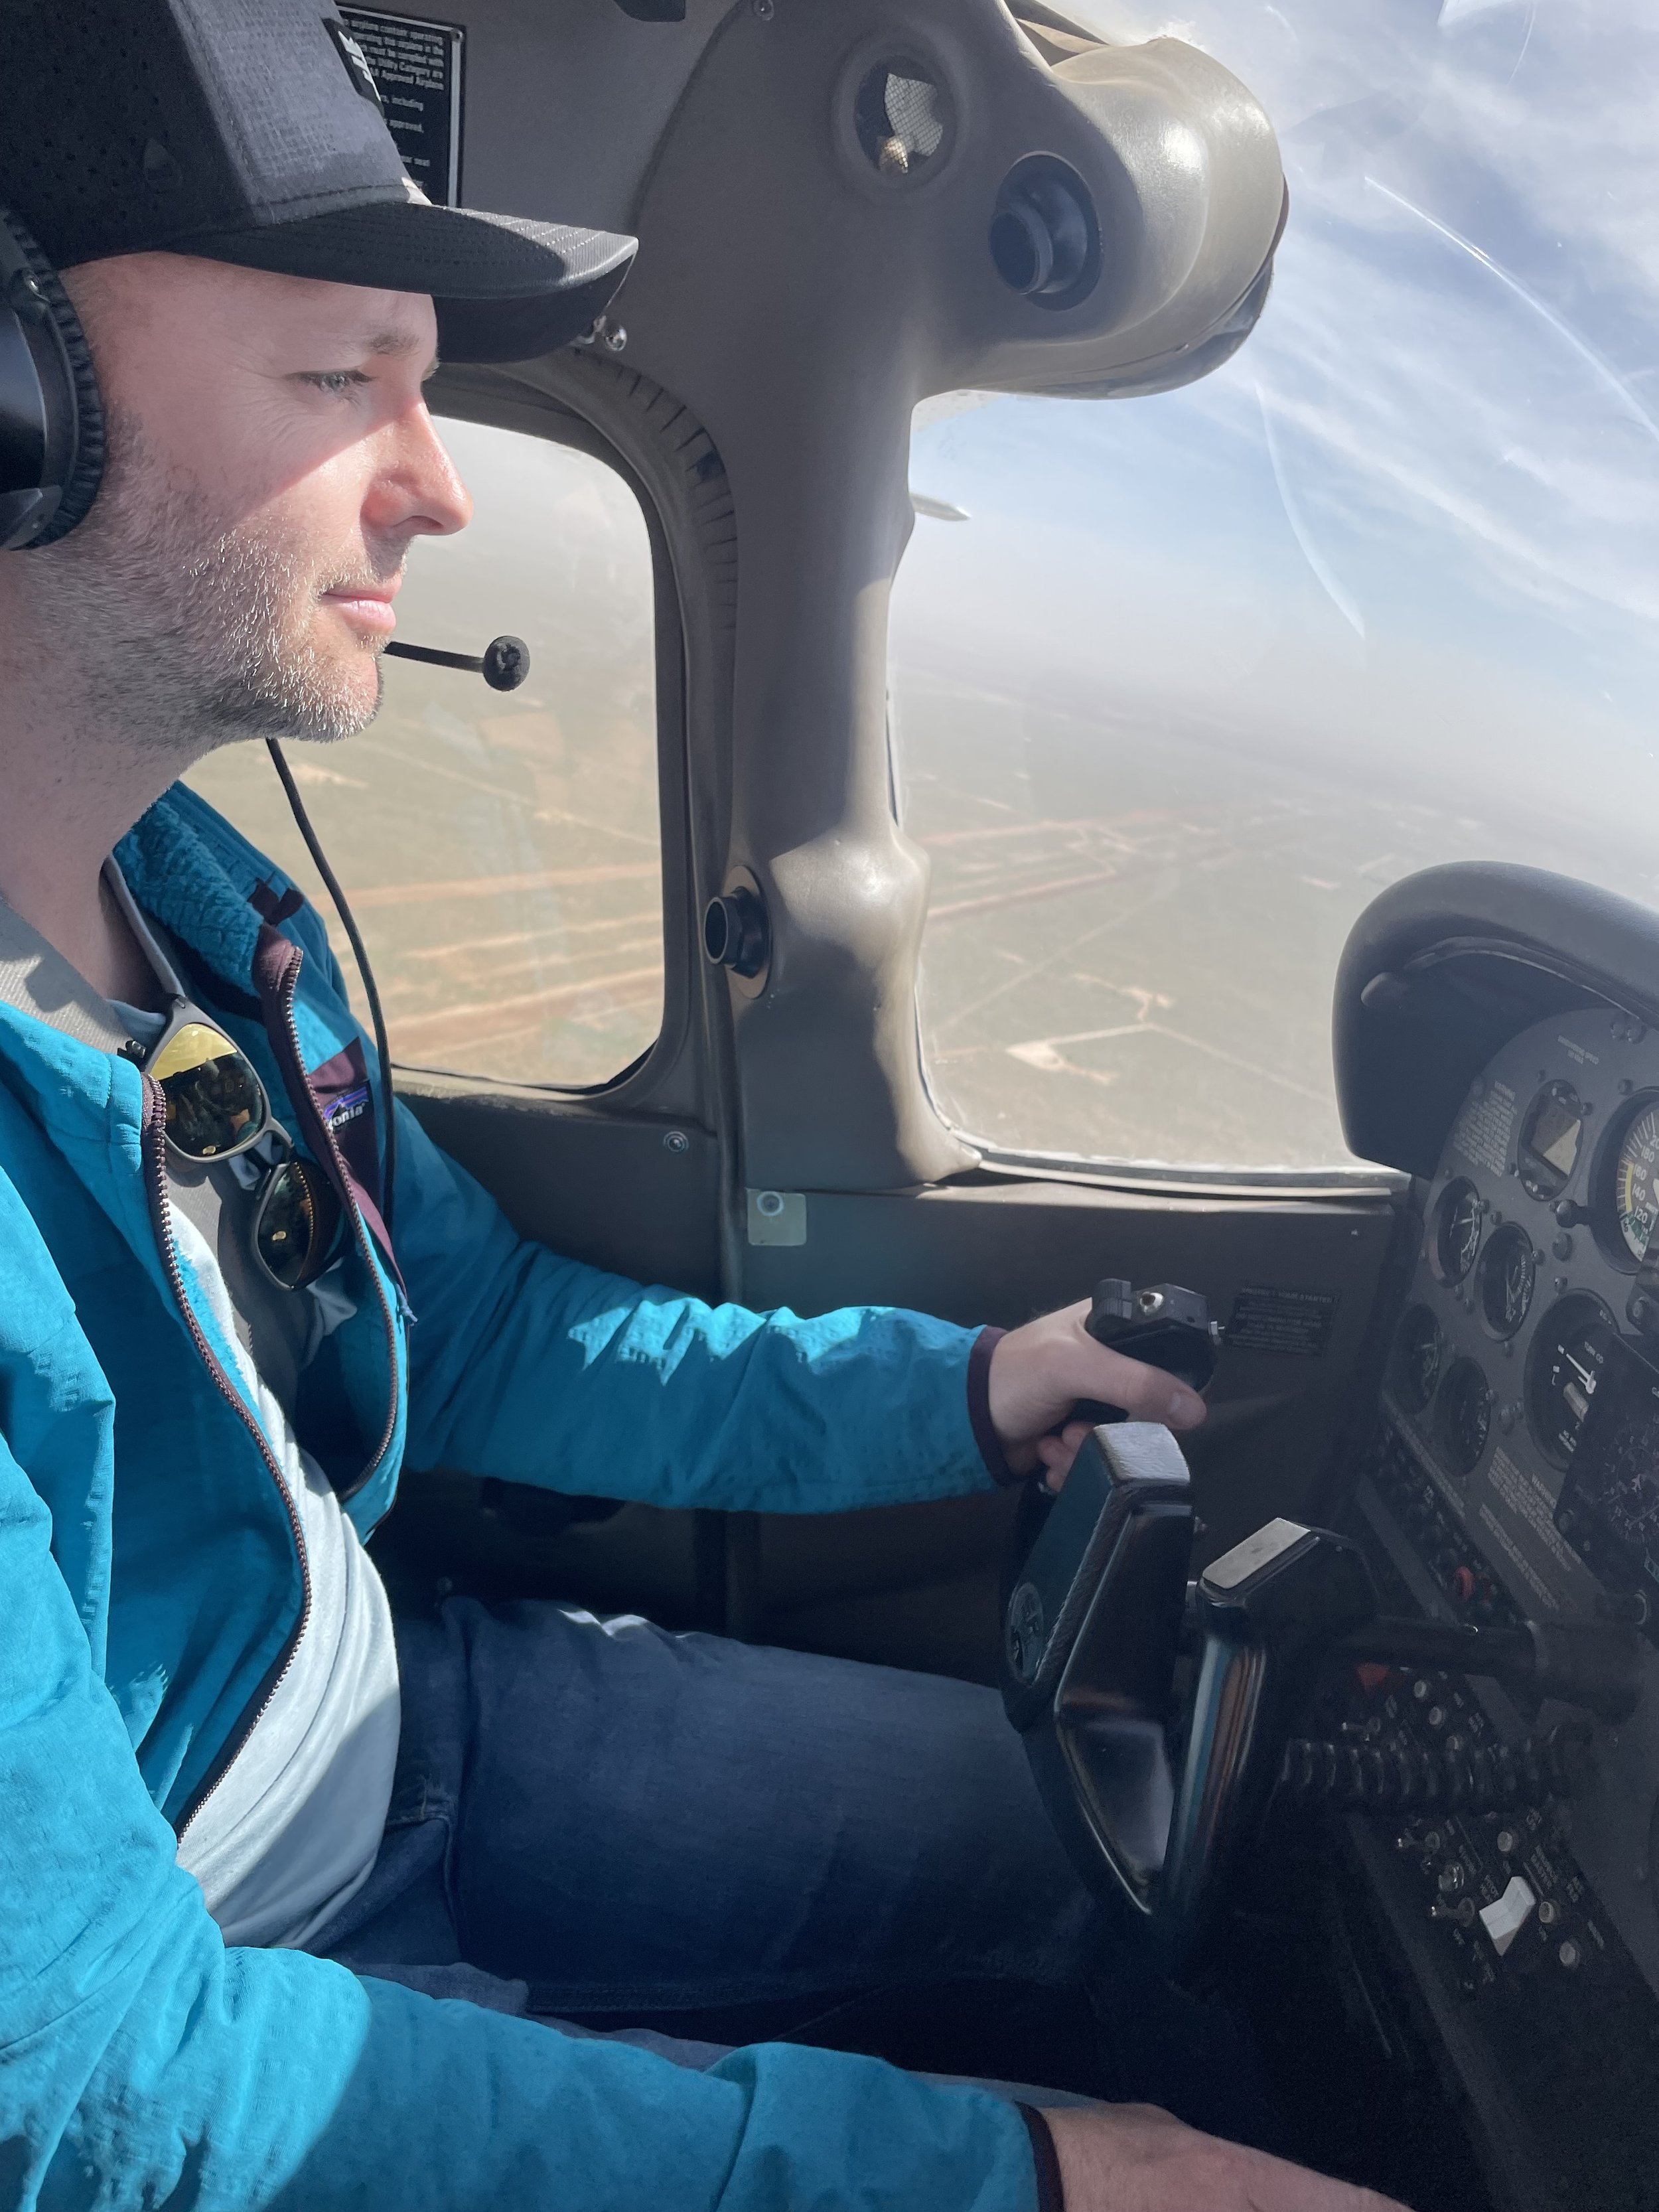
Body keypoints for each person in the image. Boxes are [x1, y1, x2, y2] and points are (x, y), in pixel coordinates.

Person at [0, 5, 1409, 2208]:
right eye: (335, 377)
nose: (438, 474)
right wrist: (1034, 2184)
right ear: (19, 410)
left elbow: (469, 1331)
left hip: (400, 1724)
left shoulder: (195, 911)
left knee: (1116, 1864)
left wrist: (954, 1386)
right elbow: (94, 2095)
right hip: (206, 1985)